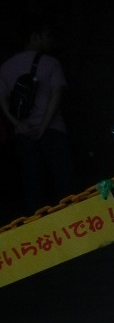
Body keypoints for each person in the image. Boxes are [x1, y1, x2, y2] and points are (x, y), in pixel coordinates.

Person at [0, 25, 75, 215]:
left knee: (32, 186)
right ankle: (69, 223)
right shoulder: (52, 63)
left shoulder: (6, 67)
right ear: (35, 37)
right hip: (54, 131)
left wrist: (17, 123)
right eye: (46, 36)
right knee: (63, 182)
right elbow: (56, 95)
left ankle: (38, 227)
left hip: (23, 133)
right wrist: (43, 126)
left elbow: (2, 99)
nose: (50, 41)